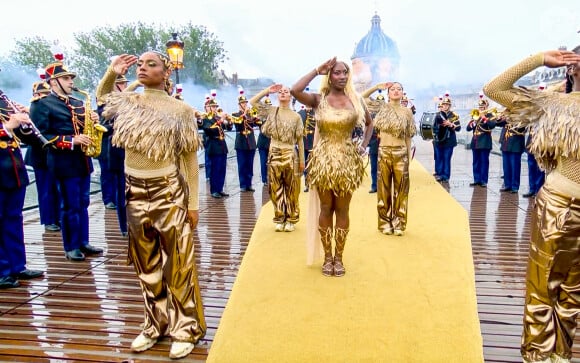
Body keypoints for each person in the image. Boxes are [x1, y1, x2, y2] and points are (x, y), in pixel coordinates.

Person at [97, 52, 206, 359]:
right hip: (133, 191)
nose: (143, 68)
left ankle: (186, 328)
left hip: (168, 192)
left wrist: (193, 204)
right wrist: (113, 71)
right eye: (140, 64)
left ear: (166, 72)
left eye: (151, 64)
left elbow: (189, 160)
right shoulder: (129, 102)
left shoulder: (181, 110)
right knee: (146, 265)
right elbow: (104, 98)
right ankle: (154, 324)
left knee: (178, 263)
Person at [483, 46, 580, 363]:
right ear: (571, 67)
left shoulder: (555, 101)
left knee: (573, 292)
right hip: (559, 204)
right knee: (544, 285)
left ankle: (561, 355)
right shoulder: (552, 104)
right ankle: (538, 355)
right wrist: (538, 59)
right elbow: (493, 89)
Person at [291, 57, 373, 277]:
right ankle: (328, 257)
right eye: (337, 72)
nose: (342, 76)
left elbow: (370, 123)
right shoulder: (320, 100)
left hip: (347, 162)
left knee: (343, 209)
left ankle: (339, 257)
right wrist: (317, 70)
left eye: (345, 73)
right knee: (326, 208)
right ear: (330, 75)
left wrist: (363, 145)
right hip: (324, 161)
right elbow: (295, 90)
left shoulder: (355, 100)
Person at [30, 58, 103, 262]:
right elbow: (41, 135)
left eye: (71, 78)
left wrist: (93, 120)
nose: (71, 82)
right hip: (63, 161)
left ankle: (83, 241)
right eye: (66, 78)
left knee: (83, 202)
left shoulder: (78, 102)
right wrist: (71, 140)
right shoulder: (42, 104)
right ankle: (71, 246)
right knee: (70, 204)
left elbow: (83, 125)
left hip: (83, 161)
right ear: (54, 82)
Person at [0, 88, 44, 289]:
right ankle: (2, 271)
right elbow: (7, 129)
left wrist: (26, 122)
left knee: (14, 220)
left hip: (14, 172)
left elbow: (27, 138)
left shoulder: (3, 99)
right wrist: (8, 127)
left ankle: (17, 265)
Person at [363, 82, 416, 236]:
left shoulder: (407, 112)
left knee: (401, 191)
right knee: (383, 189)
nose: (396, 91)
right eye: (392, 89)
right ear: (388, 93)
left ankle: (399, 223)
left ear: (403, 93)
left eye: (399, 89)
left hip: (401, 152)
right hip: (384, 151)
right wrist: (377, 87)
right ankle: (384, 222)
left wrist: (408, 156)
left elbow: (408, 136)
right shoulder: (381, 107)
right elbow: (362, 98)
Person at [251, 84, 304, 232]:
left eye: (286, 92)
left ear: (290, 96)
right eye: (280, 92)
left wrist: (302, 160)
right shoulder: (271, 111)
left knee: (292, 189)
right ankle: (280, 217)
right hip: (274, 152)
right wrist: (267, 90)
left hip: (290, 153)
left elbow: (300, 140)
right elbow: (253, 102)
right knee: (275, 188)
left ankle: (291, 219)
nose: (282, 93)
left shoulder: (296, 116)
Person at [24, 80, 61, 232]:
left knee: (56, 188)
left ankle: (57, 217)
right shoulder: (35, 106)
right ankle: (48, 220)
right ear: (37, 95)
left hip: (54, 155)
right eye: (44, 95)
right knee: (46, 189)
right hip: (40, 156)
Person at [96, 74, 129, 236]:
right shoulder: (104, 105)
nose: (124, 86)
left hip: (130, 151)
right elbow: (103, 126)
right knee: (118, 185)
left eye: (125, 84)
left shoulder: (129, 103)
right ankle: (124, 225)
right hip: (113, 150)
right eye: (121, 84)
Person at [201, 98, 232, 198]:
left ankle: (220, 189)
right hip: (213, 144)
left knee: (222, 169)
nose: (215, 109)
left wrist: (229, 121)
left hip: (222, 145)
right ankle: (214, 190)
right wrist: (221, 120)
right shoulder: (206, 118)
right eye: (213, 107)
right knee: (215, 169)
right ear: (208, 108)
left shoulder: (217, 118)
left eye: (215, 107)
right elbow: (209, 130)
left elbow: (228, 128)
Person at [231, 90, 259, 192]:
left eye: (246, 102)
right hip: (241, 142)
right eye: (243, 103)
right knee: (242, 164)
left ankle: (249, 184)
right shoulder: (235, 114)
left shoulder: (250, 114)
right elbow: (238, 124)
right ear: (239, 105)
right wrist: (245, 114)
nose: (245, 104)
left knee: (250, 164)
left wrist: (254, 116)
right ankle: (243, 184)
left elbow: (257, 123)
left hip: (251, 142)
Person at [466, 96, 496, 188]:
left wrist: (484, 118)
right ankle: (476, 179)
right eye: (479, 107)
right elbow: (468, 128)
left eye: (482, 107)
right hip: (475, 142)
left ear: (486, 107)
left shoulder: (490, 116)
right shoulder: (475, 116)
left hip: (485, 142)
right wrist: (474, 122)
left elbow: (492, 125)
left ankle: (483, 181)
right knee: (475, 162)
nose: (480, 109)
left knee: (484, 162)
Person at [361, 88, 385, 194]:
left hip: (385, 146)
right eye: (378, 103)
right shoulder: (370, 116)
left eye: (381, 103)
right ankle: (374, 186)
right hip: (374, 145)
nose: (379, 105)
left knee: (384, 168)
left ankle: (384, 186)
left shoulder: (386, 116)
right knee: (374, 167)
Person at [432, 93, 461, 183]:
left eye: (447, 105)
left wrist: (451, 124)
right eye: (444, 104)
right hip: (439, 140)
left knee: (446, 158)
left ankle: (446, 176)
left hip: (449, 140)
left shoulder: (453, 115)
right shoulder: (437, 115)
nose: (445, 106)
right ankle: (440, 174)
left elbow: (458, 128)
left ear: (449, 106)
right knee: (439, 157)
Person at [496, 111, 525, 194]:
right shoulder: (507, 114)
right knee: (506, 166)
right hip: (506, 143)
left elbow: (522, 128)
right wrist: (499, 118)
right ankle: (507, 185)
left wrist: (512, 118)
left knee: (515, 167)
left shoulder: (521, 114)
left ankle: (515, 186)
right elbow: (497, 123)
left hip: (515, 144)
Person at [298, 103, 316, 192]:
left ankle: (314, 182)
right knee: (305, 165)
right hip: (304, 143)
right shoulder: (301, 113)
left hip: (314, 143)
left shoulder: (316, 112)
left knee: (313, 165)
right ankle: (307, 184)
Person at [256, 96, 272, 186]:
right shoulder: (260, 117)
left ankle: (271, 176)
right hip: (262, 142)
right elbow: (258, 124)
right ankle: (264, 179)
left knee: (271, 161)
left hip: (271, 142)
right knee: (263, 161)